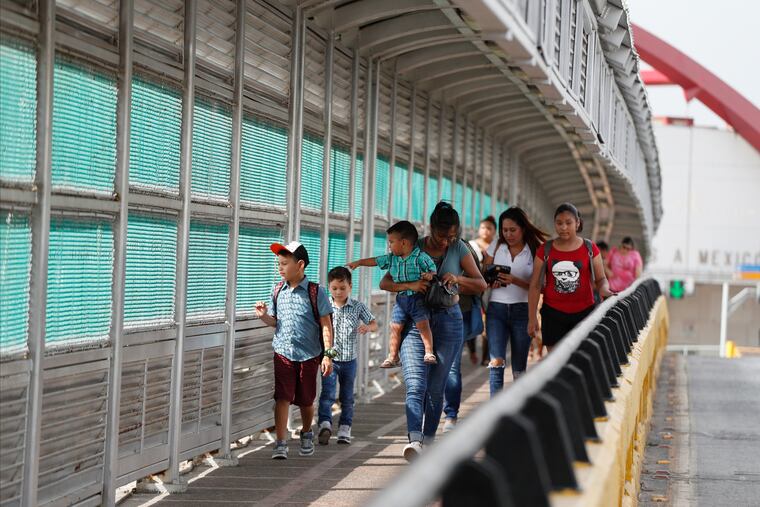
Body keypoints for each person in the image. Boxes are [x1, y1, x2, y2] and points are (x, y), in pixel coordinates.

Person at [380, 202, 486, 459]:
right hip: (415, 323)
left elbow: (480, 284)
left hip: (449, 320)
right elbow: (385, 282)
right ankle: (415, 441)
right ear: (431, 228)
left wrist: (458, 279)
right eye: (441, 236)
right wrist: (411, 285)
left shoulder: (459, 248)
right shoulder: (411, 247)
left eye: (452, 236)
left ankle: (427, 441)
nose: (446, 242)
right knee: (415, 384)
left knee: (436, 388)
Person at [254, 241, 335, 460]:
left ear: (300, 265)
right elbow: (275, 322)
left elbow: (326, 325)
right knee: (282, 397)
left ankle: (306, 432)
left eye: (284, 263)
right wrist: (263, 316)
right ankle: (280, 442)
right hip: (282, 352)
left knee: (306, 400)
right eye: (278, 264)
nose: (280, 268)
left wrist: (328, 355)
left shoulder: (316, 291)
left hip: (309, 354)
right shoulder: (277, 290)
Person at [527, 203, 614, 355]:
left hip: (584, 313)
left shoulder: (590, 248)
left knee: (581, 359)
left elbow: (601, 279)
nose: (563, 227)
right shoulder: (545, 250)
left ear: (577, 223)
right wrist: (532, 317)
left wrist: (605, 290)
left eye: (568, 223)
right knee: (556, 361)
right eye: (559, 223)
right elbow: (535, 285)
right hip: (552, 314)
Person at [348, 220, 437, 367]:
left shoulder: (420, 257)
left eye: (391, 242)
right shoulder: (392, 258)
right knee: (395, 327)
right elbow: (376, 261)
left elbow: (433, 270)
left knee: (423, 324)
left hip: (418, 299)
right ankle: (393, 356)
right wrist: (359, 262)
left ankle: (429, 352)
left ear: (404, 243)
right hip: (401, 299)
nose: (389, 245)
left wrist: (430, 275)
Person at [484, 207, 548, 395]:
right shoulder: (496, 245)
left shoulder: (534, 250)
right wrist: (491, 280)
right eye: (504, 230)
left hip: (522, 310)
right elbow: (484, 274)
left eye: (513, 230)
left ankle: (517, 407)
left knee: (519, 368)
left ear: (523, 228)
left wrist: (515, 280)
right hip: (496, 311)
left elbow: (541, 286)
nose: (508, 234)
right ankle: (495, 409)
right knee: (496, 363)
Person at [317, 267, 377, 446]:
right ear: (329, 287)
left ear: (350, 286)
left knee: (347, 397)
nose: (338, 292)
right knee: (327, 394)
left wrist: (367, 327)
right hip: (330, 359)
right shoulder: (325, 305)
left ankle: (345, 428)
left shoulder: (358, 306)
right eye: (334, 288)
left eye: (342, 288)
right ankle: (325, 425)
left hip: (350, 361)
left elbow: (374, 323)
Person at [466, 216, 496, 365]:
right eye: (483, 227)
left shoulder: (497, 247)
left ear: (495, 231)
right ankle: (472, 351)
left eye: (489, 228)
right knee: (471, 317)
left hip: (490, 289)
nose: (486, 230)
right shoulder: (471, 245)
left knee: (489, 322)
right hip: (472, 288)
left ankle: (485, 356)